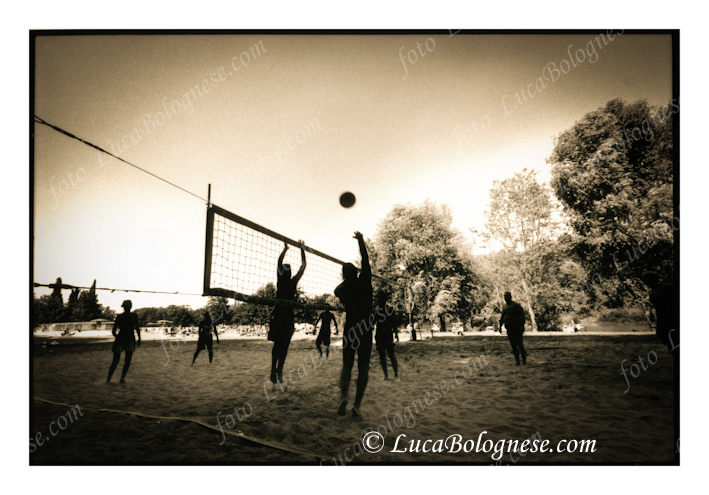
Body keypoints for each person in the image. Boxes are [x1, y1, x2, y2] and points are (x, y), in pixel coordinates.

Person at [335, 231, 373, 417]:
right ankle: (357, 406)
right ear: (357, 273)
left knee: (347, 365)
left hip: (351, 328)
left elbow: (337, 290)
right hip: (365, 327)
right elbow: (365, 259)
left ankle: (343, 396)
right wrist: (361, 241)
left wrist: (347, 280)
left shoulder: (343, 289)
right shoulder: (365, 282)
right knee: (363, 367)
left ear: (344, 275)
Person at [268, 241, 307, 390]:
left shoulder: (281, 282)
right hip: (287, 318)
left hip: (278, 316)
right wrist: (302, 250)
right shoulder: (292, 283)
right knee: (284, 347)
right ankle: (278, 373)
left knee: (277, 346)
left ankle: (274, 371)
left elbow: (279, 262)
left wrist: (285, 249)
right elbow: (303, 267)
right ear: (289, 273)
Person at [642, 271, 678, 357]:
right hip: (663, 319)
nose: (645, 282)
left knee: (673, 342)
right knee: (668, 341)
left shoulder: (666, 288)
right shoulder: (652, 292)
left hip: (671, 318)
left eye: (646, 280)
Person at [107, 300, 141, 383]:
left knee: (115, 360)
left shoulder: (120, 317)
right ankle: (122, 378)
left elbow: (114, 331)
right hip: (130, 338)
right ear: (131, 306)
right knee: (127, 360)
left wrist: (118, 337)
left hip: (121, 338)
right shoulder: (134, 316)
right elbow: (137, 328)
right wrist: (139, 338)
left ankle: (108, 379)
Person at [375, 292, 399, 382]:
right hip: (379, 335)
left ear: (384, 300)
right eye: (378, 298)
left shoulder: (389, 309)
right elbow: (372, 323)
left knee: (391, 355)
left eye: (381, 298)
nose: (379, 300)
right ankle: (386, 375)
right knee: (382, 357)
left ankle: (396, 375)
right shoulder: (376, 310)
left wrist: (396, 334)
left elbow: (394, 323)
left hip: (388, 335)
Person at [500, 291, 526, 365]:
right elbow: (502, 317)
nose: (506, 298)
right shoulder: (504, 307)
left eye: (507, 296)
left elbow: (522, 316)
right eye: (505, 297)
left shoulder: (516, 306)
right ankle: (517, 361)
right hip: (509, 328)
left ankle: (524, 360)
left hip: (517, 328)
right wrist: (500, 326)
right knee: (513, 345)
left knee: (520, 344)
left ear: (510, 297)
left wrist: (522, 326)